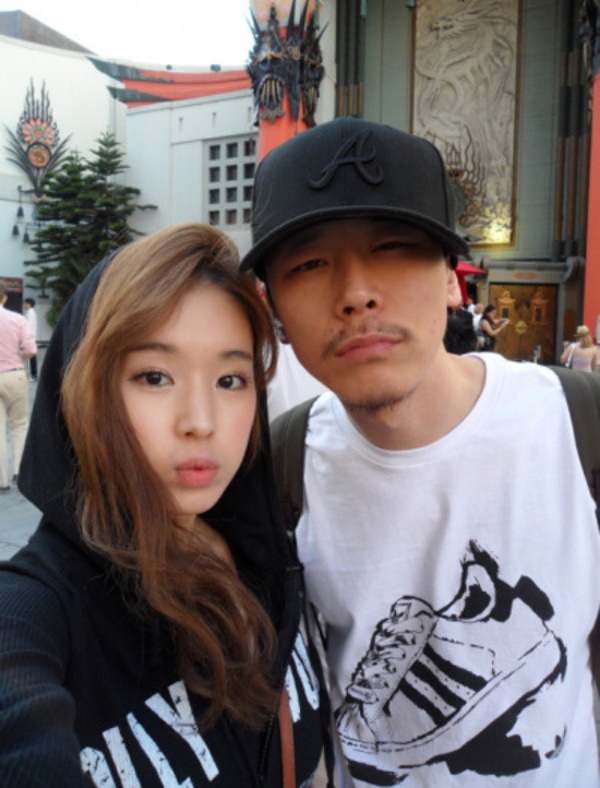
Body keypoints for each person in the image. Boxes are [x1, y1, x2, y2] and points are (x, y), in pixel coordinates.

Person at [240, 117, 600, 786]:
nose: (356, 294)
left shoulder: (577, 425)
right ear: (276, 309)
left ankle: (498, 629)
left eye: (394, 247)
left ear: (452, 280)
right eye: (309, 265)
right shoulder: (282, 466)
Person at [0, 224, 323, 785]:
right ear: (87, 390)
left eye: (230, 379)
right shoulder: (40, 609)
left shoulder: (274, 557)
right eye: (154, 377)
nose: (200, 421)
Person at [0, 283, 37, 492]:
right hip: (14, 374)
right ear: (4, 298)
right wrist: (16, 356)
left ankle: (2, 481)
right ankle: (19, 473)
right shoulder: (18, 320)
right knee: (19, 425)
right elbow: (31, 350)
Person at [24, 297, 38, 381]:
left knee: (31, 358)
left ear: (28, 304)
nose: (24, 304)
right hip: (30, 337)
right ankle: (33, 375)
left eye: (25, 303)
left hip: (30, 338)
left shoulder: (30, 313)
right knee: (31, 357)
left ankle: (33, 375)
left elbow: (28, 326)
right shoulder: (29, 312)